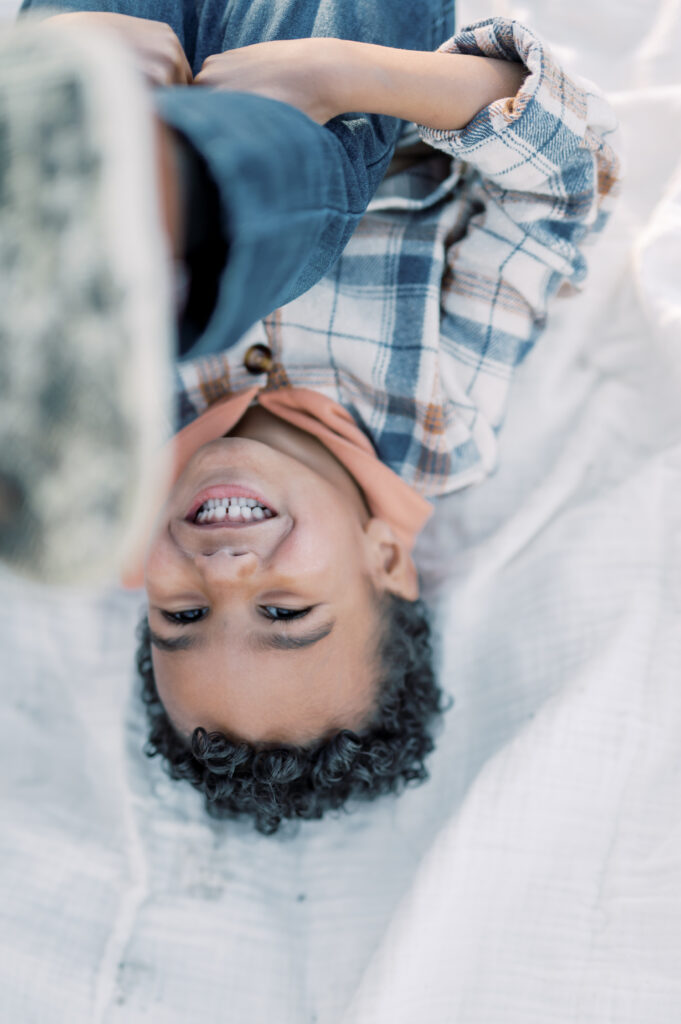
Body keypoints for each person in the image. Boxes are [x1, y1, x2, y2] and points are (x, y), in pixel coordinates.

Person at [2, 1, 619, 832]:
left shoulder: (101, 440)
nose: (225, 572)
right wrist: (340, 75)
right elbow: (570, 175)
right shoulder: (442, 419)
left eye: (182, 615)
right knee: (263, 255)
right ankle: (159, 177)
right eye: (283, 611)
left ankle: (92, 129)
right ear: (385, 558)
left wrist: (60, 46)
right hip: (325, 52)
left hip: (125, 62)